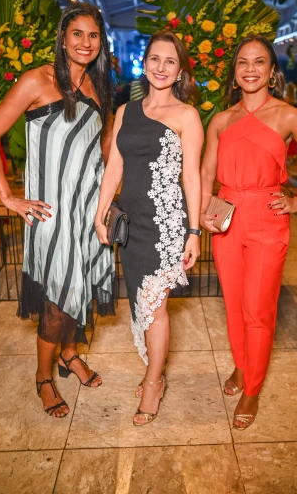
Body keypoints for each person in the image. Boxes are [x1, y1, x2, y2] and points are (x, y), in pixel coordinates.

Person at [0, 2, 116, 418]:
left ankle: (69, 355)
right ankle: (43, 377)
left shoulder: (97, 86)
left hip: (88, 209)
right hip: (51, 213)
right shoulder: (37, 80)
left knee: (80, 285)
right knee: (59, 294)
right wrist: (8, 197)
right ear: (62, 37)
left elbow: (100, 148)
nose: (85, 42)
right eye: (78, 34)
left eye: (93, 35)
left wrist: (107, 200)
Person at [200, 35, 297, 430]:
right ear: (234, 72)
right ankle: (242, 365)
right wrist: (203, 211)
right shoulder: (221, 120)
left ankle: (253, 388)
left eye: (259, 62)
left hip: (267, 217)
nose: (250, 69)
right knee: (234, 303)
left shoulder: (288, 116)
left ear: (272, 71)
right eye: (243, 62)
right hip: (226, 217)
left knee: (258, 309)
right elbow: (206, 172)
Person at [95, 31, 204, 426]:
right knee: (140, 302)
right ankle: (154, 371)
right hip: (131, 222)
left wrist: (194, 232)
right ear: (145, 63)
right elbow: (115, 167)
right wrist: (100, 212)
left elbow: (192, 177)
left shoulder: (187, 116)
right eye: (155, 59)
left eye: (170, 61)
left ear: (180, 71)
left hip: (166, 225)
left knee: (155, 307)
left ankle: (154, 382)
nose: (161, 67)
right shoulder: (126, 111)